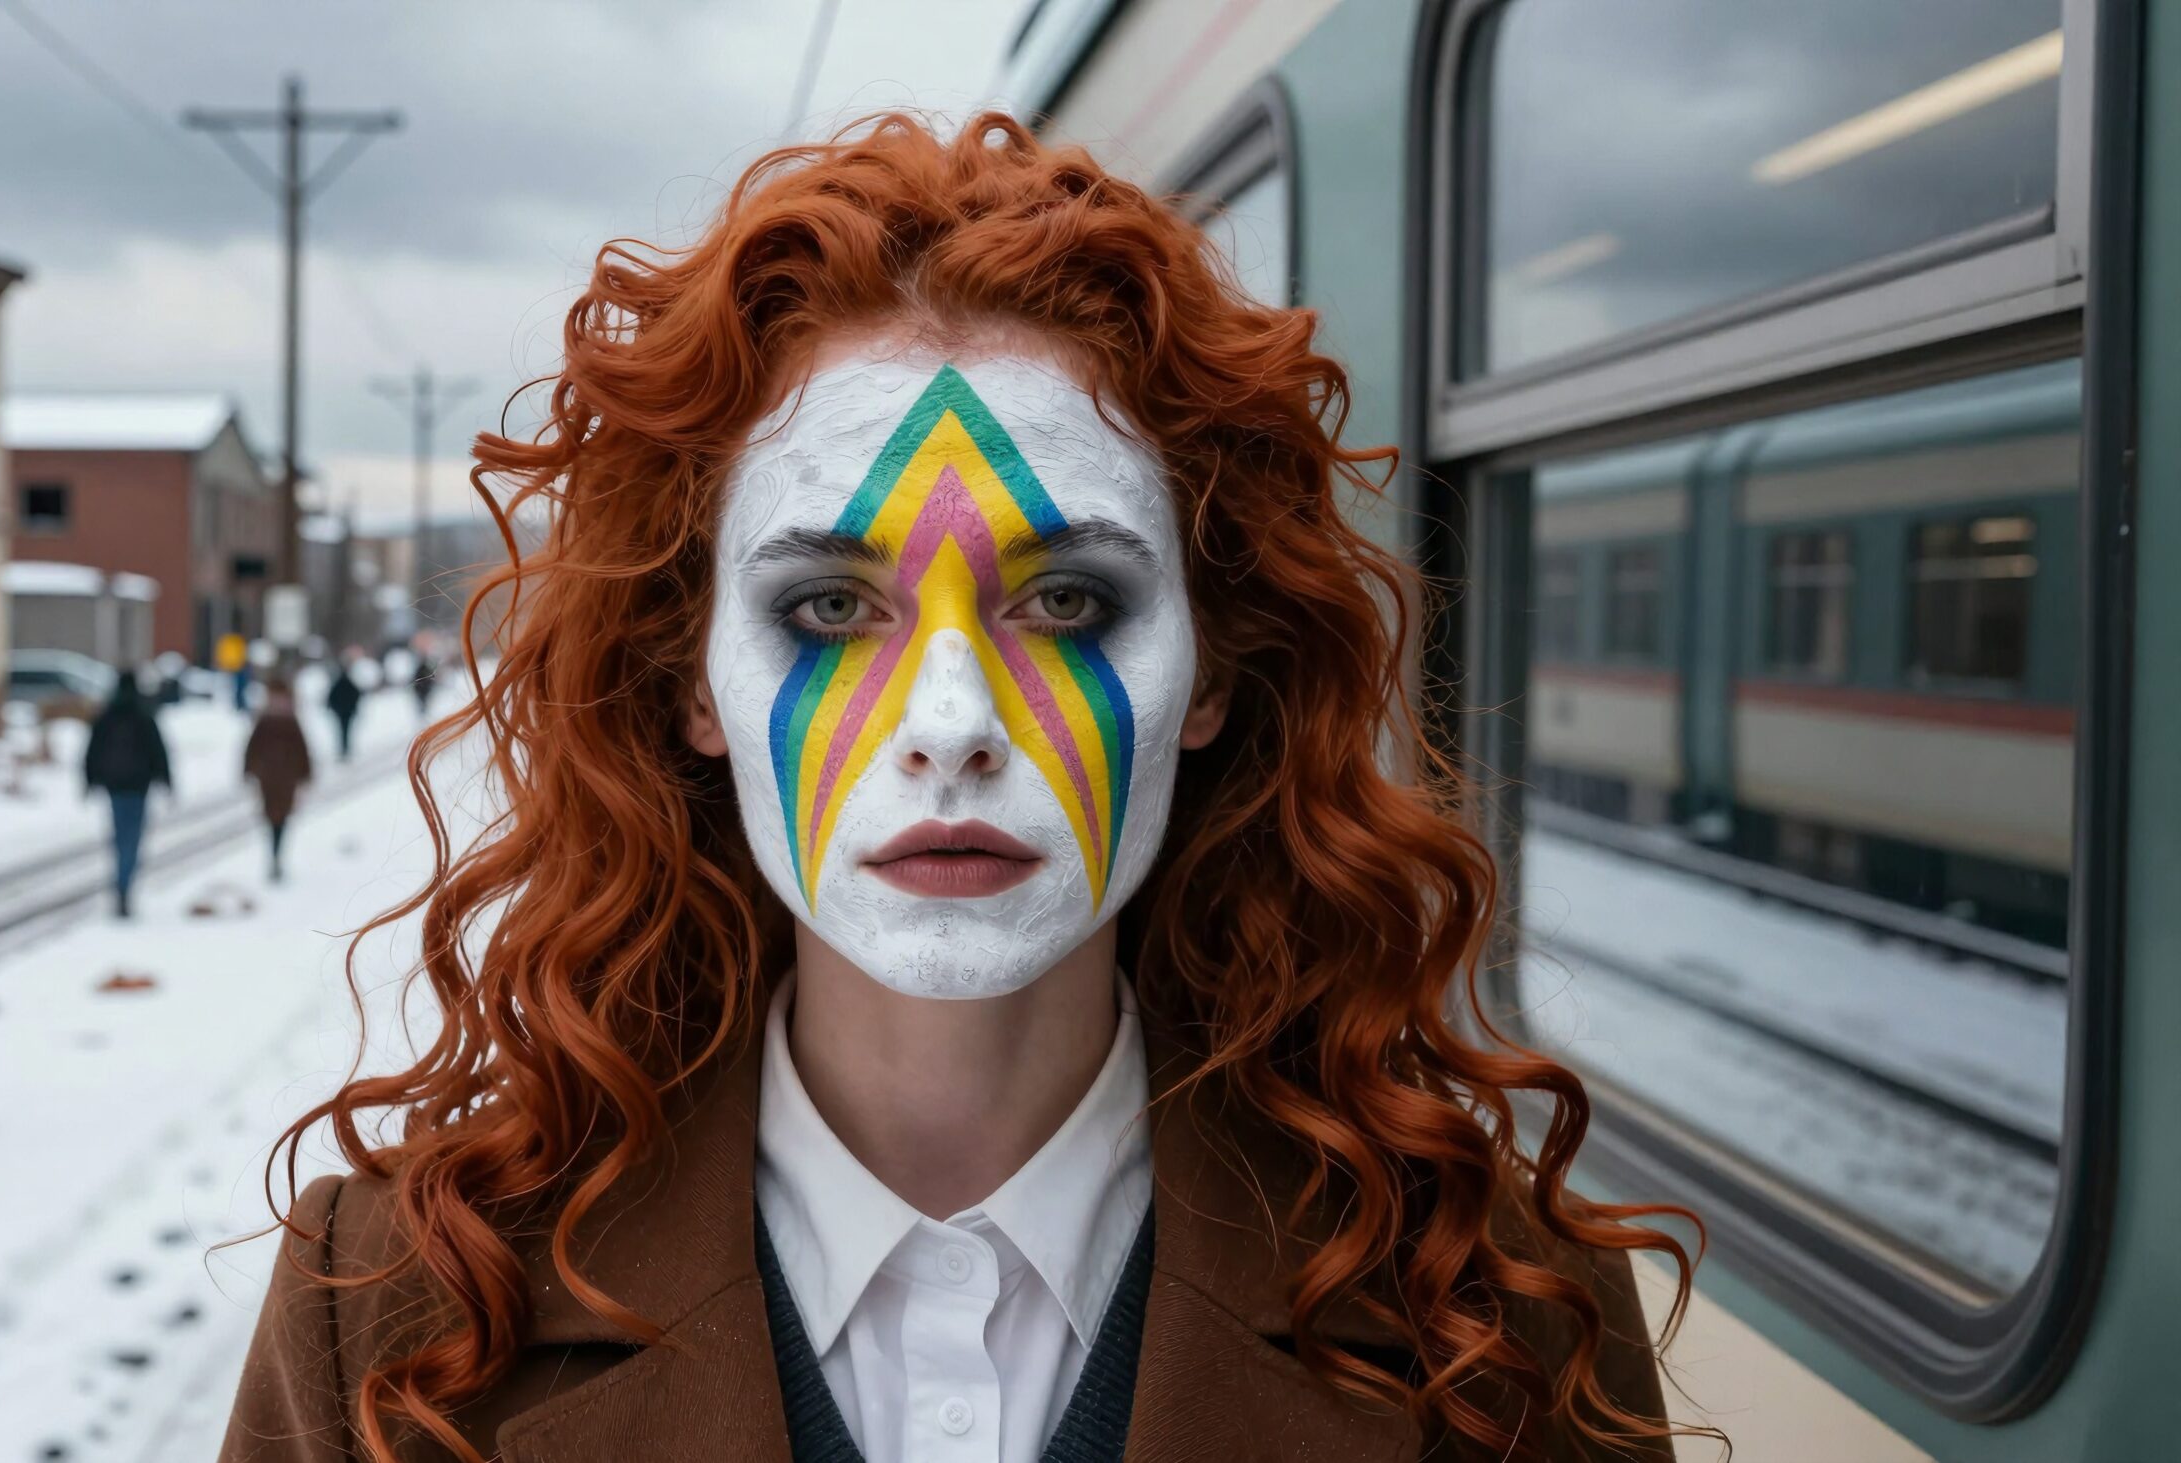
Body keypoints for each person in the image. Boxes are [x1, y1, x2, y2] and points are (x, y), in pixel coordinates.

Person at [223, 115, 1698, 1463]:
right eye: (828, 609)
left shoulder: (1498, 1301)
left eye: (1065, 604)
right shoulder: (398, 1305)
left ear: (1219, 675)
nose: (947, 727)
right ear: (691, 684)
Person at [81, 668, 169, 920]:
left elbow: (92, 751)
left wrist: (89, 780)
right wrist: (165, 778)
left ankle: (122, 877)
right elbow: (158, 749)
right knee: (133, 836)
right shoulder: (143, 714)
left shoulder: (107, 715)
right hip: (138, 787)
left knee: (120, 834)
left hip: (115, 786)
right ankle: (124, 879)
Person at [242, 677, 313, 882]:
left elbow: (301, 749)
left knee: (279, 818)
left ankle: (276, 854)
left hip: (283, 778)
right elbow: (253, 747)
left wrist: (305, 772)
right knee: (274, 818)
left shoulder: (288, 721)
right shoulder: (267, 720)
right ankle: (275, 854)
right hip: (272, 778)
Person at [324, 649, 365, 761]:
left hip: (343, 711)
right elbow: (356, 694)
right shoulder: (347, 683)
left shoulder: (340, 683)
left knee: (343, 730)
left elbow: (332, 696)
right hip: (346, 711)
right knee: (345, 730)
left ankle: (344, 748)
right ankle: (344, 748)